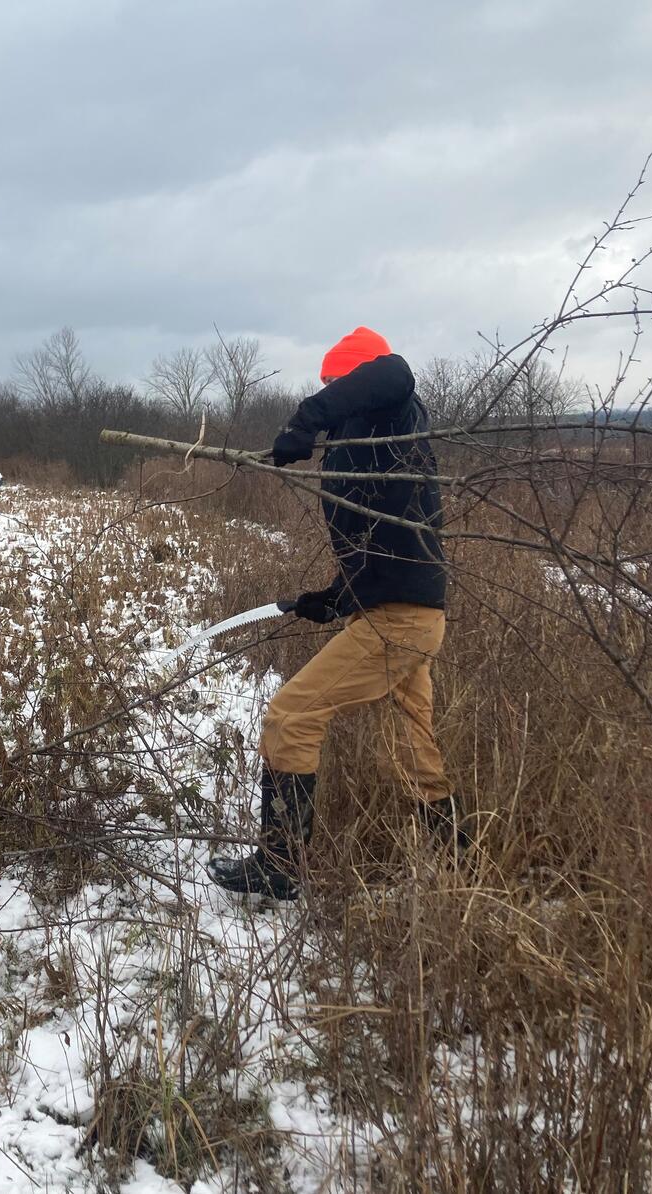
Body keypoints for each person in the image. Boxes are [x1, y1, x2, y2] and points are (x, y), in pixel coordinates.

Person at [207, 326, 464, 900]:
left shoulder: (395, 403)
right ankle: (456, 861)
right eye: (326, 385)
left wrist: (305, 419)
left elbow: (392, 370)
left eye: (337, 382)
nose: (332, 392)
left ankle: (279, 864)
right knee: (412, 745)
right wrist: (334, 597)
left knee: (291, 716)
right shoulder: (372, 442)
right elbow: (377, 542)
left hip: (400, 621)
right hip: (400, 610)